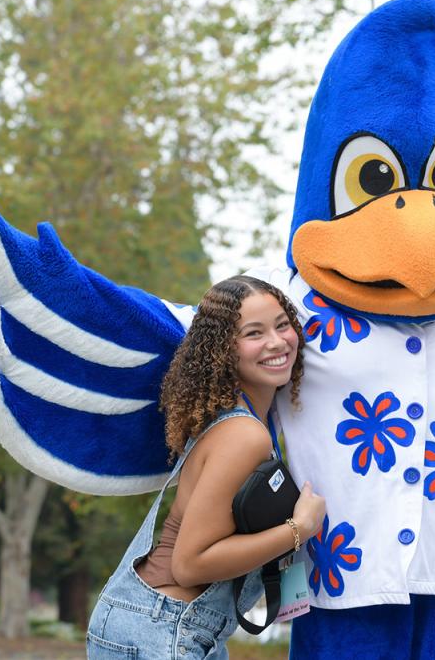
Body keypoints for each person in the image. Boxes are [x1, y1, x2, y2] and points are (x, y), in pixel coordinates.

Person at [86, 275, 327, 659]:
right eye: (254, 333)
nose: (277, 342)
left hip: (156, 623)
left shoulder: (236, 420)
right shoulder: (245, 436)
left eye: (283, 325)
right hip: (163, 631)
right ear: (224, 350)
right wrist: (299, 530)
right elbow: (190, 564)